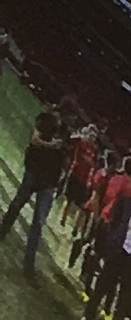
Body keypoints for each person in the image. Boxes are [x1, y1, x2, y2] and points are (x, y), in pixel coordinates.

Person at [0, 98, 70, 270]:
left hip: (49, 181)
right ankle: (2, 232)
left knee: (38, 222)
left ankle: (28, 263)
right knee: (17, 204)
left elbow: (66, 156)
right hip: (34, 172)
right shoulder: (44, 120)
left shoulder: (66, 133)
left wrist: (62, 176)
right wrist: (51, 145)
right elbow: (35, 140)